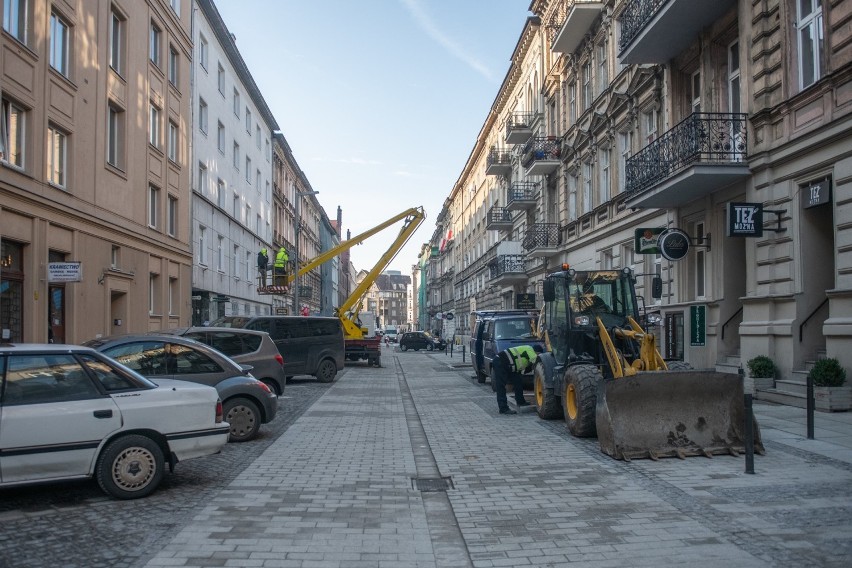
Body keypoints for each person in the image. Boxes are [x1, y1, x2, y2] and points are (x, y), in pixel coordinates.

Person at [492, 344, 543, 415]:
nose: (539, 356)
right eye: (539, 354)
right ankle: (503, 408)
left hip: (510, 366)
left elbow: (523, 368)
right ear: (536, 352)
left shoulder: (526, 355)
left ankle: (520, 401)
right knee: (501, 386)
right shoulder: (529, 349)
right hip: (500, 361)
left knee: (518, 382)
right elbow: (536, 361)